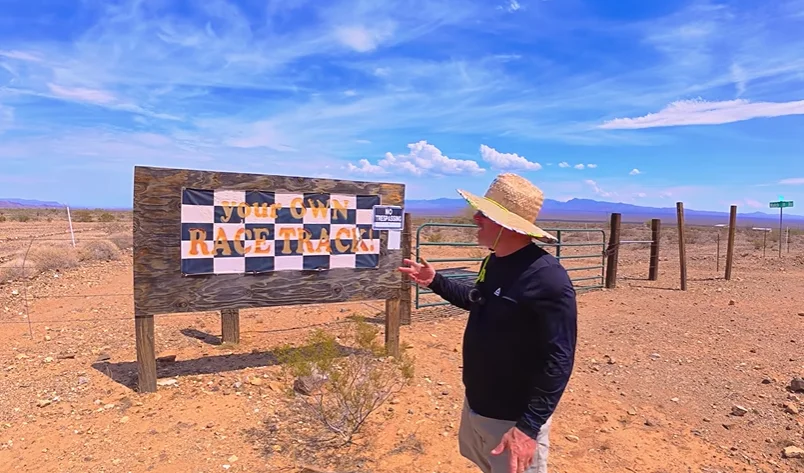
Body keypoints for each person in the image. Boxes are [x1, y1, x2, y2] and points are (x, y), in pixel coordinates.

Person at [399, 173, 578, 473]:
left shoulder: (548, 278)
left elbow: (560, 359)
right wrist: (434, 281)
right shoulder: (494, 261)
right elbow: (476, 300)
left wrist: (528, 427)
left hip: (513, 421)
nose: (476, 218)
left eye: (485, 214)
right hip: (479, 406)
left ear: (507, 225)